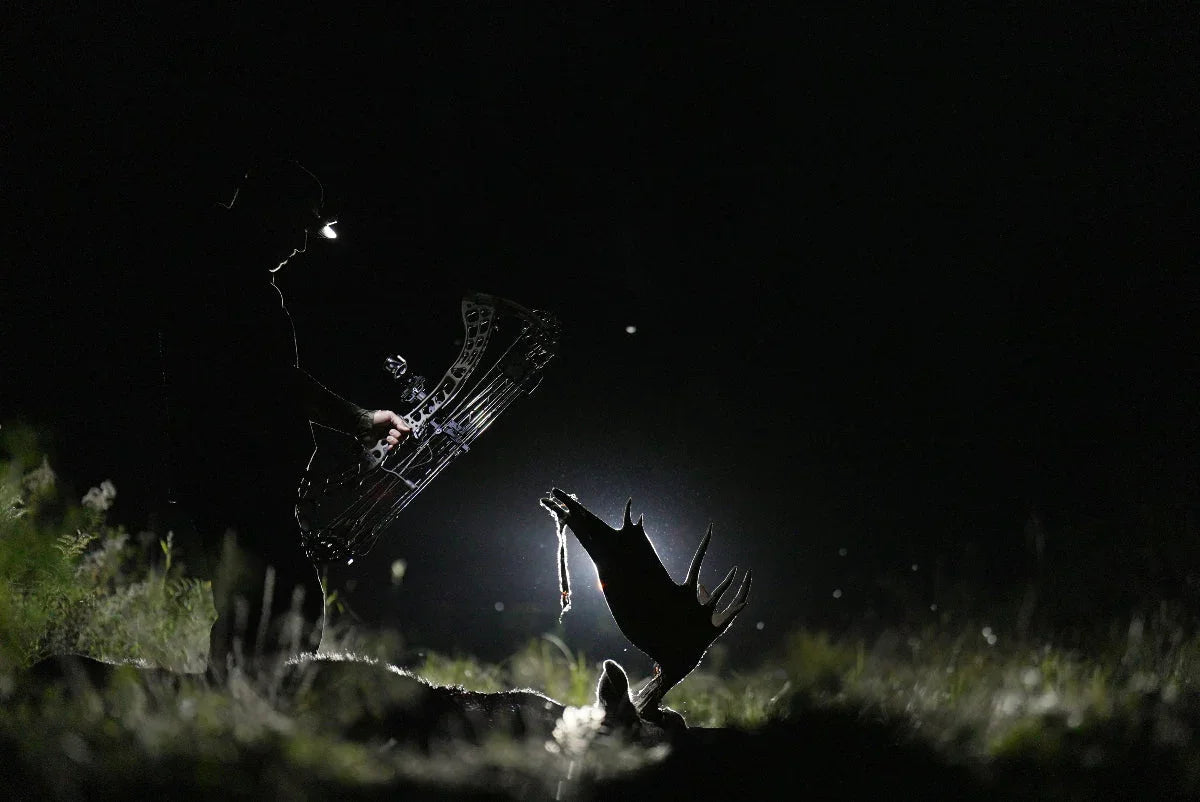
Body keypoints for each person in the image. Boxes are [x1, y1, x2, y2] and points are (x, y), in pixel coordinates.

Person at [160, 158, 409, 678]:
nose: (301, 242)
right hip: (233, 475)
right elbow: (273, 378)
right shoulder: (225, 279)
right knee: (279, 606)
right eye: (300, 221)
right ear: (265, 209)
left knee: (264, 606)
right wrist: (363, 420)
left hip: (237, 478)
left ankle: (234, 723)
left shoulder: (219, 269)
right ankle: (241, 729)